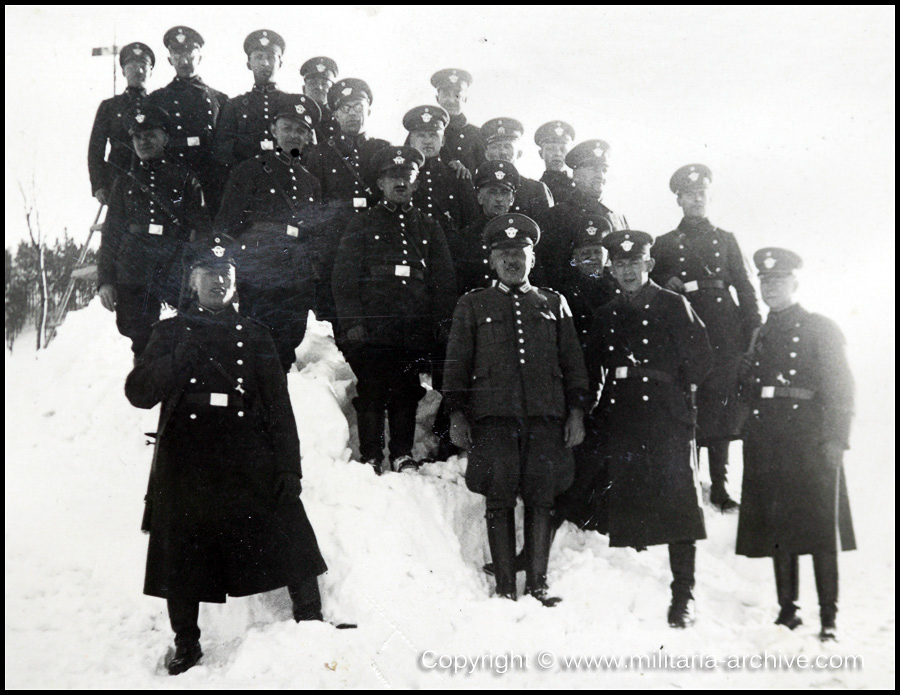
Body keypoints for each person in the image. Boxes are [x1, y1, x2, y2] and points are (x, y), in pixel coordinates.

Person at [125, 240, 328, 676]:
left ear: (235, 283)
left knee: (286, 517)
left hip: (245, 450)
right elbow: (138, 392)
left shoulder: (255, 335)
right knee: (181, 547)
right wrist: (175, 361)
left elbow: (279, 409)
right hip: (187, 454)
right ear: (193, 282)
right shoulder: (168, 332)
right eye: (208, 275)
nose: (218, 282)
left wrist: (290, 467)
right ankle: (186, 642)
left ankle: (310, 617)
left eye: (226, 275)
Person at [569, 230, 712, 627]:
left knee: (679, 501)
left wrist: (679, 400)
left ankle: (684, 594)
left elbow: (700, 360)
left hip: (667, 416)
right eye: (620, 264)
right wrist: (584, 408)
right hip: (623, 414)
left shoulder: (673, 305)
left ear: (649, 265)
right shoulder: (608, 314)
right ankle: (617, 589)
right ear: (611, 269)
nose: (628, 271)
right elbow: (590, 365)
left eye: (636, 263)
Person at [444, 213, 588, 606]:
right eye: (504, 254)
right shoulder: (472, 305)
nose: (512, 261)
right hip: (494, 418)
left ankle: (538, 584)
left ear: (533, 259)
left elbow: (574, 363)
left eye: (520, 253)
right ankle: (507, 587)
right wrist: (457, 413)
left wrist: (576, 412)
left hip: (546, 417)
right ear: (491, 260)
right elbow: (456, 365)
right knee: (499, 495)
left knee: (543, 497)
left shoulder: (554, 303)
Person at [736, 247, 855, 642]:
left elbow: (840, 388)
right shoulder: (760, 333)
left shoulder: (820, 327)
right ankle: (788, 611)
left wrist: (836, 439)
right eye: (764, 281)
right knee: (777, 527)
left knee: (819, 530)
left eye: (778, 280)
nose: (771, 286)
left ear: (795, 283)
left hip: (810, 439)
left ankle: (829, 618)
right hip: (768, 437)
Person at [332, 146, 456, 474]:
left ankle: (401, 453)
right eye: (392, 177)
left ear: (416, 184)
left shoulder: (428, 226)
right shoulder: (362, 223)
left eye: (407, 177)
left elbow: (443, 281)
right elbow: (344, 277)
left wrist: (438, 325)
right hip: (372, 326)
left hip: (413, 327)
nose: (400, 183)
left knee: (405, 390)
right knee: (372, 388)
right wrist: (353, 322)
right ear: (380, 183)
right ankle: (371, 454)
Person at [651, 164, 761, 512]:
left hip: (725, 327)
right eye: (689, 194)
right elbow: (650, 283)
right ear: (679, 199)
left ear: (708, 197)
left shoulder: (727, 239)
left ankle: (722, 487)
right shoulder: (665, 243)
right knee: (687, 399)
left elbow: (744, 286)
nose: (696, 199)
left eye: (702, 194)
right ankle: (690, 480)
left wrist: (754, 328)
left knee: (722, 402)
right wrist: (664, 281)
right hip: (685, 326)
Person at [215, 93, 324, 371]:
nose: (294, 135)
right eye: (287, 128)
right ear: (274, 130)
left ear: (309, 136)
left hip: (296, 271)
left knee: (289, 340)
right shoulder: (250, 170)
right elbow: (228, 223)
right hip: (259, 265)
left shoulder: (311, 182)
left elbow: (314, 232)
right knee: (257, 339)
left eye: (301, 130)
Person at [97, 105, 211, 356]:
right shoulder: (124, 182)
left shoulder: (185, 179)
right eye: (137, 136)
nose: (143, 141)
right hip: (134, 267)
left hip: (173, 265)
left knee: (184, 335)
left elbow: (201, 228)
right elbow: (111, 233)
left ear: (166, 138)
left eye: (150, 135)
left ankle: (178, 391)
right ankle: (146, 390)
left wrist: (199, 268)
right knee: (140, 338)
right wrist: (105, 280)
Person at [302, 78, 389, 319]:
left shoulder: (383, 151)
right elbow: (312, 208)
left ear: (368, 111)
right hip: (334, 245)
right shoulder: (319, 154)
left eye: (358, 107)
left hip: (375, 243)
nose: (352, 114)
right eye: (345, 109)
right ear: (336, 115)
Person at [149, 26, 229, 214]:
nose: (184, 61)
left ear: (200, 57)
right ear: (170, 60)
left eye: (190, 55)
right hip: (170, 179)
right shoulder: (157, 99)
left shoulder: (220, 99)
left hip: (210, 181)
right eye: (178, 56)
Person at [536, 139, 628, 293]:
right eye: (592, 169)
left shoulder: (617, 218)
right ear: (576, 174)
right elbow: (546, 270)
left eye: (603, 170)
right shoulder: (556, 216)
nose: (599, 175)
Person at [88, 41, 154, 206]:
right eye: (131, 66)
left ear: (150, 71)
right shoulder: (109, 106)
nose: (138, 71)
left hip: (153, 180)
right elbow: (96, 149)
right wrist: (99, 185)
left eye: (143, 66)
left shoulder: (158, 104)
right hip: (117, 181)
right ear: (123, 71)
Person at [213, 30, 288, 167]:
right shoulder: (235, 105)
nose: (265, 63)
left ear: (280, 63)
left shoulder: (291, 103)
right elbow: (221, 147)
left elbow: (308, 147)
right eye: (259, 57)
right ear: (249, 63)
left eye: (271, 57)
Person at [448, 160, 521, 297]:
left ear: (512, 199)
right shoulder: (464, 239)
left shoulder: (522, 238)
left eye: (505, 192)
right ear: (480, 197)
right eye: (492, 192)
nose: (499, 198)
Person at [402, 105, 478, 234]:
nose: (428, 141)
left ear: (442, 141)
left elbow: (471, 223)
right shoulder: (401, 176)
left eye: (433, 135)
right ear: (410, 141)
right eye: (421, 135)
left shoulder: (458, 176)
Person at [481, 117, 554, 220]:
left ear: (519, 154)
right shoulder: (479, 189)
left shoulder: (536, 190)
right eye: (495, 147)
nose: (502, 152)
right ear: (487, 155)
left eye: (507, 146)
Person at [431, 68, 484, 177]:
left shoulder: (477, 134)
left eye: (457, 95)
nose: (451, 100)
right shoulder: (423, 130)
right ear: (437, 99)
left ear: (465, 99)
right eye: (445, 94)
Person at [535, 120, 577, 205]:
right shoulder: (534, 190)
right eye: (551, 149)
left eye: (563, 149)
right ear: (541, 153)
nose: (557, 154)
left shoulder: (578, 189)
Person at [300, 56, 339, 143]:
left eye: (324, 84)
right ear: (303, 89)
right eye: (313, 83)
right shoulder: (296, 116)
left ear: (332, 90)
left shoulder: (339, 119)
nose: (319, 87)